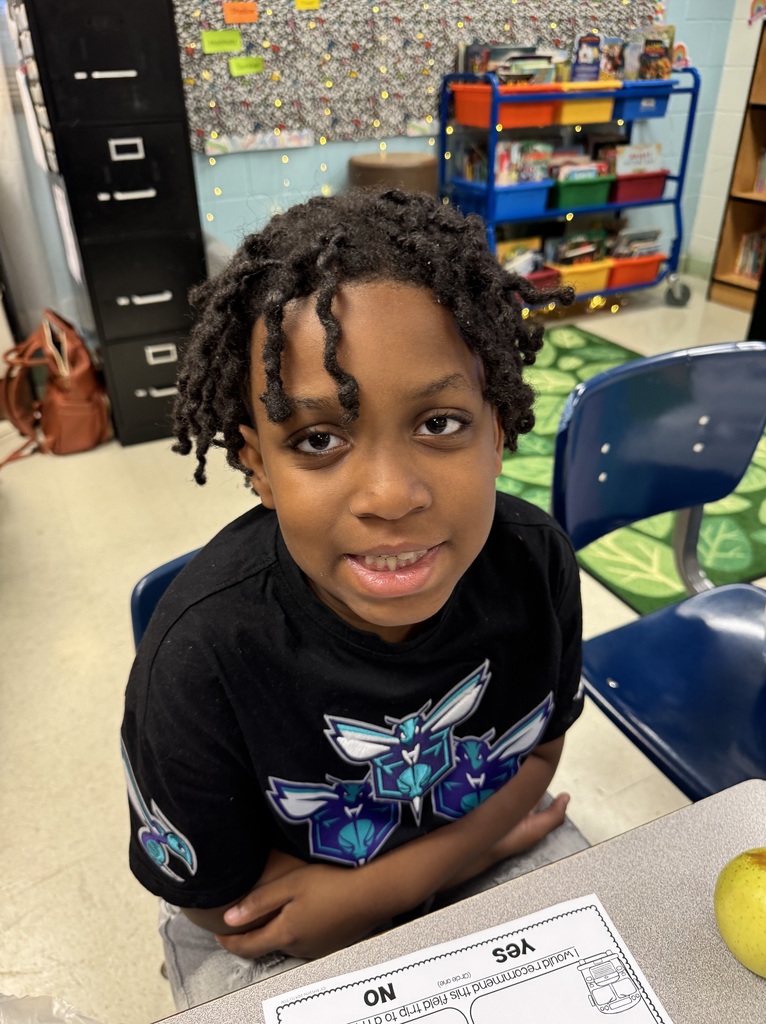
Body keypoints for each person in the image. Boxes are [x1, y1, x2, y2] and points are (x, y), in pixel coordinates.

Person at [121, 187, 584, 1010]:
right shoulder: (200, 656)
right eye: (319, 440)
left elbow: (542, 755)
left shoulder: (536, 564)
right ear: (256, 464)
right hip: (280, 929)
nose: (390, 495)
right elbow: (225, 910)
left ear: (501, 429)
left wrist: (416, 874)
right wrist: (442, 864)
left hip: (465, 854)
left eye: (440, 423)